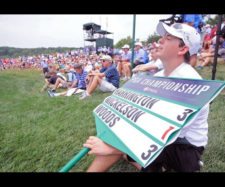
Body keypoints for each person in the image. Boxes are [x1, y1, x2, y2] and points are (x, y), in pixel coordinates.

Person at [83, 22, 209, 172]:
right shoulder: (162, 74)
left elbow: (164, 134)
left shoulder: (190, 81)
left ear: (182, 49)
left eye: (168, 38)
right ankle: (141, 161)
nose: (160, 40)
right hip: (166, 139)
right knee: (118, 131)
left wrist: (114, 149)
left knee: (117, 141)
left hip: (184, 148)